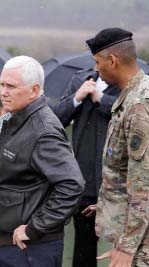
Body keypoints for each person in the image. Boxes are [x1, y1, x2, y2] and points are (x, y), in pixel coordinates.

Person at [0, 56, 85, 267]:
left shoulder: (43, 130)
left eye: (11, 86)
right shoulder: (19, 120)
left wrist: (34, 228)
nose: (3, 92)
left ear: (34, 90)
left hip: (31, 248)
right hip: (12, 244)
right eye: (2, 85)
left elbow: (72, 184)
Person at [86, 28, 149, 267]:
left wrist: (126, 248)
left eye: (98, 62)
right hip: (141, 230)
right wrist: (107, 201)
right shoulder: (137, 93)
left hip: (145, 244)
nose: (96, 69)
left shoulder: (139, 105)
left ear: (113, 60)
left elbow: (145, 182)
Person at [50, 65, 120, 267]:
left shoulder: (129, 84)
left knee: (127, 245)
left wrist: (102, 99)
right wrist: (77, 97)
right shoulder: (81, 80)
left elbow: (135, 113)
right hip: (86, 182)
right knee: (83, 248)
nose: (97, 64)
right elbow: (55, 120)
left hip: (119, 185)